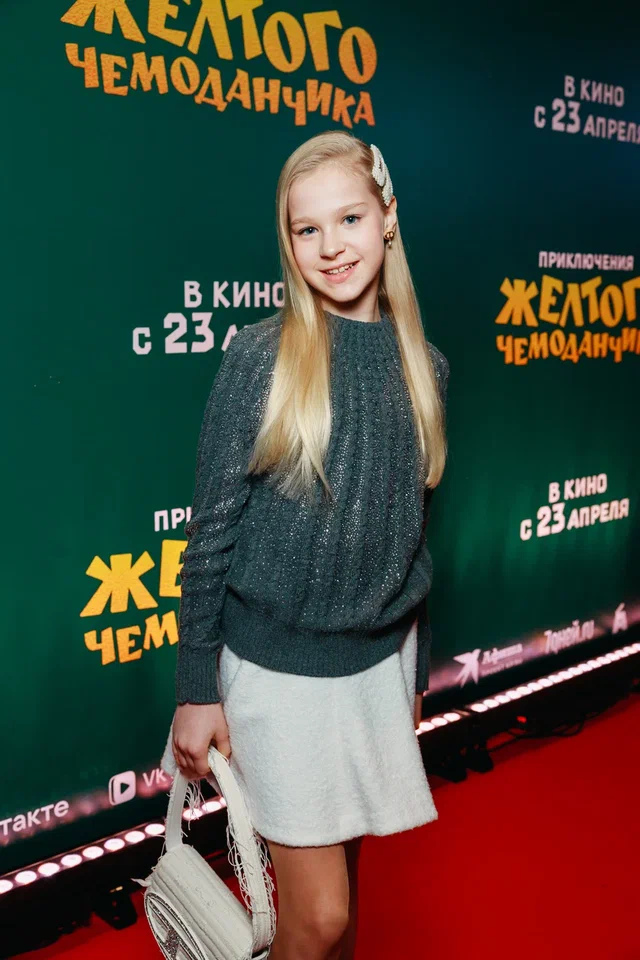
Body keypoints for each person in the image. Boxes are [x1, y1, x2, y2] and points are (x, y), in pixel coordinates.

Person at [161, 130, 450, 960]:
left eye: (349, 218)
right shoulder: (263, 359)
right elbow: (210, 536)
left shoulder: (426, 367)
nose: (331, 246)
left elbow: (413, 540)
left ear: (387, 217)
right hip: (276, 677)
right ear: (288, 242)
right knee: (318, 916)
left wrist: (414, 676)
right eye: (307, 228)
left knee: (343, 906)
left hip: (378, 667)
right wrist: (197, 689)